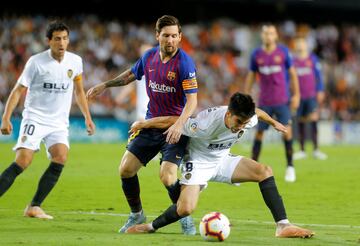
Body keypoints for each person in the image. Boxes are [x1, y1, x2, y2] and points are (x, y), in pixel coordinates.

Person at [124, 92, 314, 238]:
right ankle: (150, 227)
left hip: (222, 159)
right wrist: (145, 124)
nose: (241, 126)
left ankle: (283, 226)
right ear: (229, 113)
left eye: (245, 122)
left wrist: (274, 123)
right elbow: (174, 121)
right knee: (185, 209)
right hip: (198, 162)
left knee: (264, 171)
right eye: (238, 121)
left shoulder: (246, 119)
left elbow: (258, 113)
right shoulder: (206, 124)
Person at [86, 15, 198, 234]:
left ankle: (183, 214)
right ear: (157, 36)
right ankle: (137, 214)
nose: (171, 40)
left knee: (167, 177)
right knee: (125, 169)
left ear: (180, 37)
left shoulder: (184, 63)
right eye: (166, 35)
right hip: (150, 125)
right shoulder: (149, 58)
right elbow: (129, 76)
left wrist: (178, 126)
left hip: (175, 127)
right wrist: (105, 85)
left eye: (175, 36)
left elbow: (192, 100)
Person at [0, 21, 96, 219]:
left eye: (65, 38)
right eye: (57, 39)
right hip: (35, 118)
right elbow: (18, 91)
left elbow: (79, 91)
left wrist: (88, 117)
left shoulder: (75, 61)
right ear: (48, 41)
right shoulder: (36, 62)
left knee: (61, 156)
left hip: (59, 122)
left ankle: (34, 206)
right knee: (23, 161)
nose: (62, 43)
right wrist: (6, 118)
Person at [244, 24, 300, 182]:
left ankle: (290, 167)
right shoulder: (256, 54)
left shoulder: (283, 52)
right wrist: (246, 96)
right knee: (259, 133)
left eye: (271, 33)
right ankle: (251, 167)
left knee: (287, 131)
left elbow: (293, 74)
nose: (268, 36)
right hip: (264, 101)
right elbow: (251, 76)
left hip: (282, 100)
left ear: (275, 36)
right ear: (262, 36)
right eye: (266, 33)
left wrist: (296, 95)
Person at [292, 36, 327, 160]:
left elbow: (319, 76)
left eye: (302, 43)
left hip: (311, 95)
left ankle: (316, 149)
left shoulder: (313, 59)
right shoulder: (293, 61)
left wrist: (320, 90)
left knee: (313, 119)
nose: (300, 46)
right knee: (300, 121)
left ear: (306, 45)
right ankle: (301, 150)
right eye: (298, 43)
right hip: (299, 96)